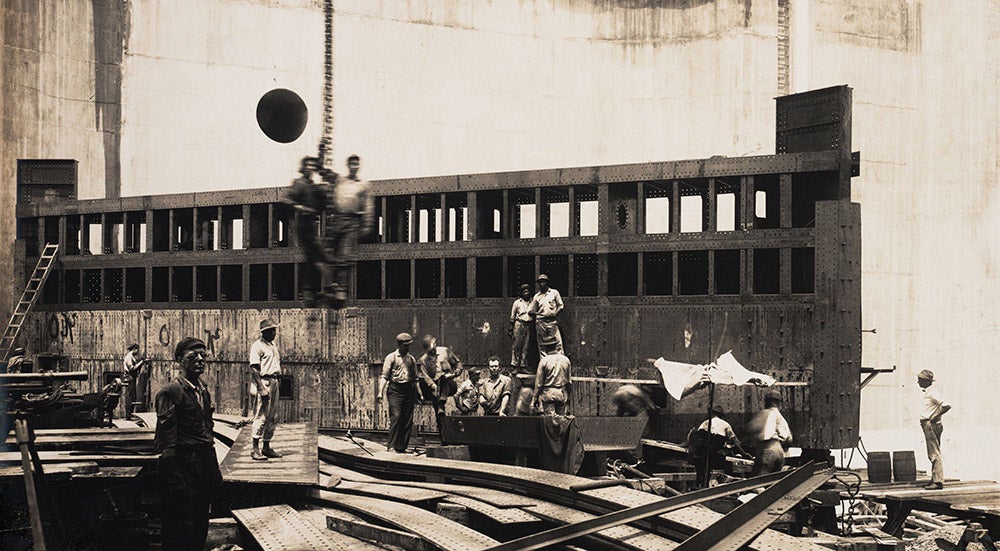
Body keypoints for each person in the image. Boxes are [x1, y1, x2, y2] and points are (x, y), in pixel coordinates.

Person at [154, 337, 221, 551]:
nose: (200, 360)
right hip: (183, 468)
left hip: (203, 465)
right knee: (179, 527)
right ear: (179, 360)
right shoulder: (170, 392)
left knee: (201, 522)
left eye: (203, 356)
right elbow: (167, 443)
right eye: (193, 356)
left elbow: (207, 432)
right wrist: (176, 482)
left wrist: (214, 471)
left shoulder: (203, 391)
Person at [325, 155, 375, 306]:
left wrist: (367, 223)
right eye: (351, 164)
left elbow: (368, 206)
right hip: (338, 218)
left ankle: (342, 289)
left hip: (352, 220)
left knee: (345, 256)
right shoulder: (341, 181)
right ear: (348, 165)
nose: (354, 167)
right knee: (330, 253)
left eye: (356, 164)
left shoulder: (363, 185)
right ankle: (330, 285)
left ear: (358, 166)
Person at [377, 333, 426, 453]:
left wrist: (420, 394)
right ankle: (391, 446)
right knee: (396, 417)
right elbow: (384, 377)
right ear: (399, 345)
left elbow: (415, 379)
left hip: (408, 390)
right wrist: (380, 393)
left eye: (409, 345)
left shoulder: (411, 359)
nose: (408, 348)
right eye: (405, 346)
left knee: (407, 419)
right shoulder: (391, 357)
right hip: (395, 390)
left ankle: (402, 447)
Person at [688, 406, 751, 486]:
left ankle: (699, 483)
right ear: (721, 415)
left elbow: (697, 437)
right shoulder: (726, 425)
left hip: (701, 454)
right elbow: (735, 442)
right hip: (715, 454)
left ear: (712, 413)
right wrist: (744, 454)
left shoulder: (706, 422)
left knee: (702, 472)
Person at [249, 319, 282, 460]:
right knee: (261, 416)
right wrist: (261, 388)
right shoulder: (257, 346)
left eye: (274, 330)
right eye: (271, 330)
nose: (274, 333)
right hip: (264, 381)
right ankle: (255, 449)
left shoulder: (272, 345)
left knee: (272, 417)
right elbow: (254, 368)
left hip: (274, 380)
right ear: (264, 332)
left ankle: (266, 447)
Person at [417, 335, 463, 422]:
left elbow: (458, 364)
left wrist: (456, 372)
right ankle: (442, 429)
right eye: (429, 351)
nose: (432, 351)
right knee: (437, 405)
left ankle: (442, 402)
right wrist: (432, 385)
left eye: (433, 346)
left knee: (445, 379)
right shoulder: (423, 360)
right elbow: (425, 376)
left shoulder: (445, 351)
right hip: (436, 388)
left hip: (449, 384)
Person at [918, 369, 950, 490]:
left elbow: (946, 405)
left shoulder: (932, 392)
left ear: (926, 381)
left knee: (934, 452)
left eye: (920, 380)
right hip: (931, 424)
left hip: (930, 424)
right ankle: (935, 478)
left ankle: (937, 481)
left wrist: (934, 416)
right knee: (934, 451)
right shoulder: (930, 391)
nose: (918, 382)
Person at [750, 389, 792, 475]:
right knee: (773, 482)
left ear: (769, 402)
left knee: (758, 483)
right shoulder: (781, 417)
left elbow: (750, 429)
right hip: (779, 451)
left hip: (767, 450)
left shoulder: (764, 413)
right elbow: (789, 439)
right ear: (779, 402)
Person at [530, 274, 564, 356]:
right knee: (542, 345)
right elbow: (531, 310)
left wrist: (554, 313)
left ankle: (559, 363)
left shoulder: (554, 293)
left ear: (547, 283)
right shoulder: (537, 296)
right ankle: (544, 364)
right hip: (541, 323)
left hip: (552, 322)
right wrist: (538, 314)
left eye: (543, 282)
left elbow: (561, 306)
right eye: (540, 282)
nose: (542, 284)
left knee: (558, 342)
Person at [509, 283, 534, 369]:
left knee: (526, 346)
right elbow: (513, 315)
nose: (526, 293)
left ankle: (523, 365)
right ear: (521, 293)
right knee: (516, 345)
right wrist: (511, 328)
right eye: (524, 292)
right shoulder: (517, 303)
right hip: (519, 324)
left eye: (527, 291)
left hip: (528, 325)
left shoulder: (533, 302)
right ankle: (514, 364)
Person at [123, 343, 148, 417]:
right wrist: (141, 362)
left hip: (132, 377)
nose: (138, 352)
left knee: (133, 395)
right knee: (131, 395)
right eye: (137, 350)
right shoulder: (128, 357)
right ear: (134, 349)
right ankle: (128, 414)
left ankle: (130, 414)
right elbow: (132, 369)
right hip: (130, 377)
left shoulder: (131, 357)